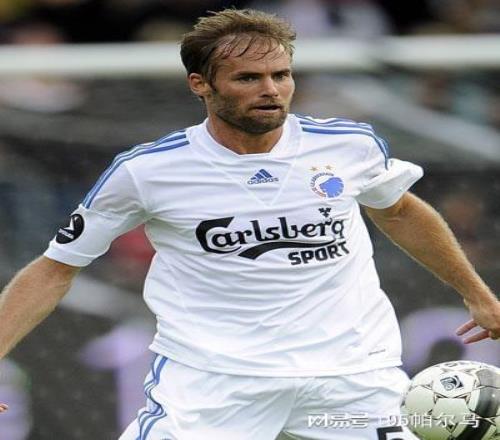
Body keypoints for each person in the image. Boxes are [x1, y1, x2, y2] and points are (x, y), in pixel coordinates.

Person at [0, 8, 499, 440]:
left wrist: (476, 293)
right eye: (248, 78)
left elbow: (399, 210)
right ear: (200, 84)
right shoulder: (147, 171)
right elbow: (55, 269)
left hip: (352, 379)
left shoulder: (349, 146)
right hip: (216, 385)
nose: (271, 90)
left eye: (281, 75)